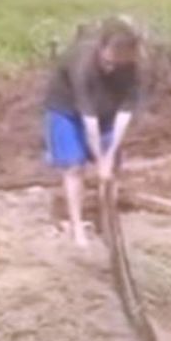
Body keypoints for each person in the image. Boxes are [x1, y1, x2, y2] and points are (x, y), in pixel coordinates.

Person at [42, 17, 144, 247]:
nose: (112, 68)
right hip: (66, 110)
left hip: (107, 111)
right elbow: (89, 121)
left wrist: (109, 158)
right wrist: (100, 160)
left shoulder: (133, 70)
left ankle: (108, 221)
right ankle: (77, 227)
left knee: (112, 169)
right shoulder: (82, 65)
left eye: (119, 64)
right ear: (101, 48)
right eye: (108, 62)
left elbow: (124, 116)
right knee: (74, 166)